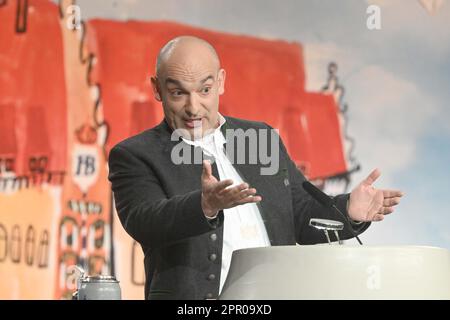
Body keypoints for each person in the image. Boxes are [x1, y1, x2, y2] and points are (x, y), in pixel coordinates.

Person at [108, 36, 403, 300]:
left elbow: (299, 214)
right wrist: (204, 206)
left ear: (221, 82)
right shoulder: (135, 154)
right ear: (157, 89)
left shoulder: (260, 138)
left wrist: (349, 209)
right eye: (178, 93)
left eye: (205, 90)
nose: (193, 107)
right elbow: (145, 221)